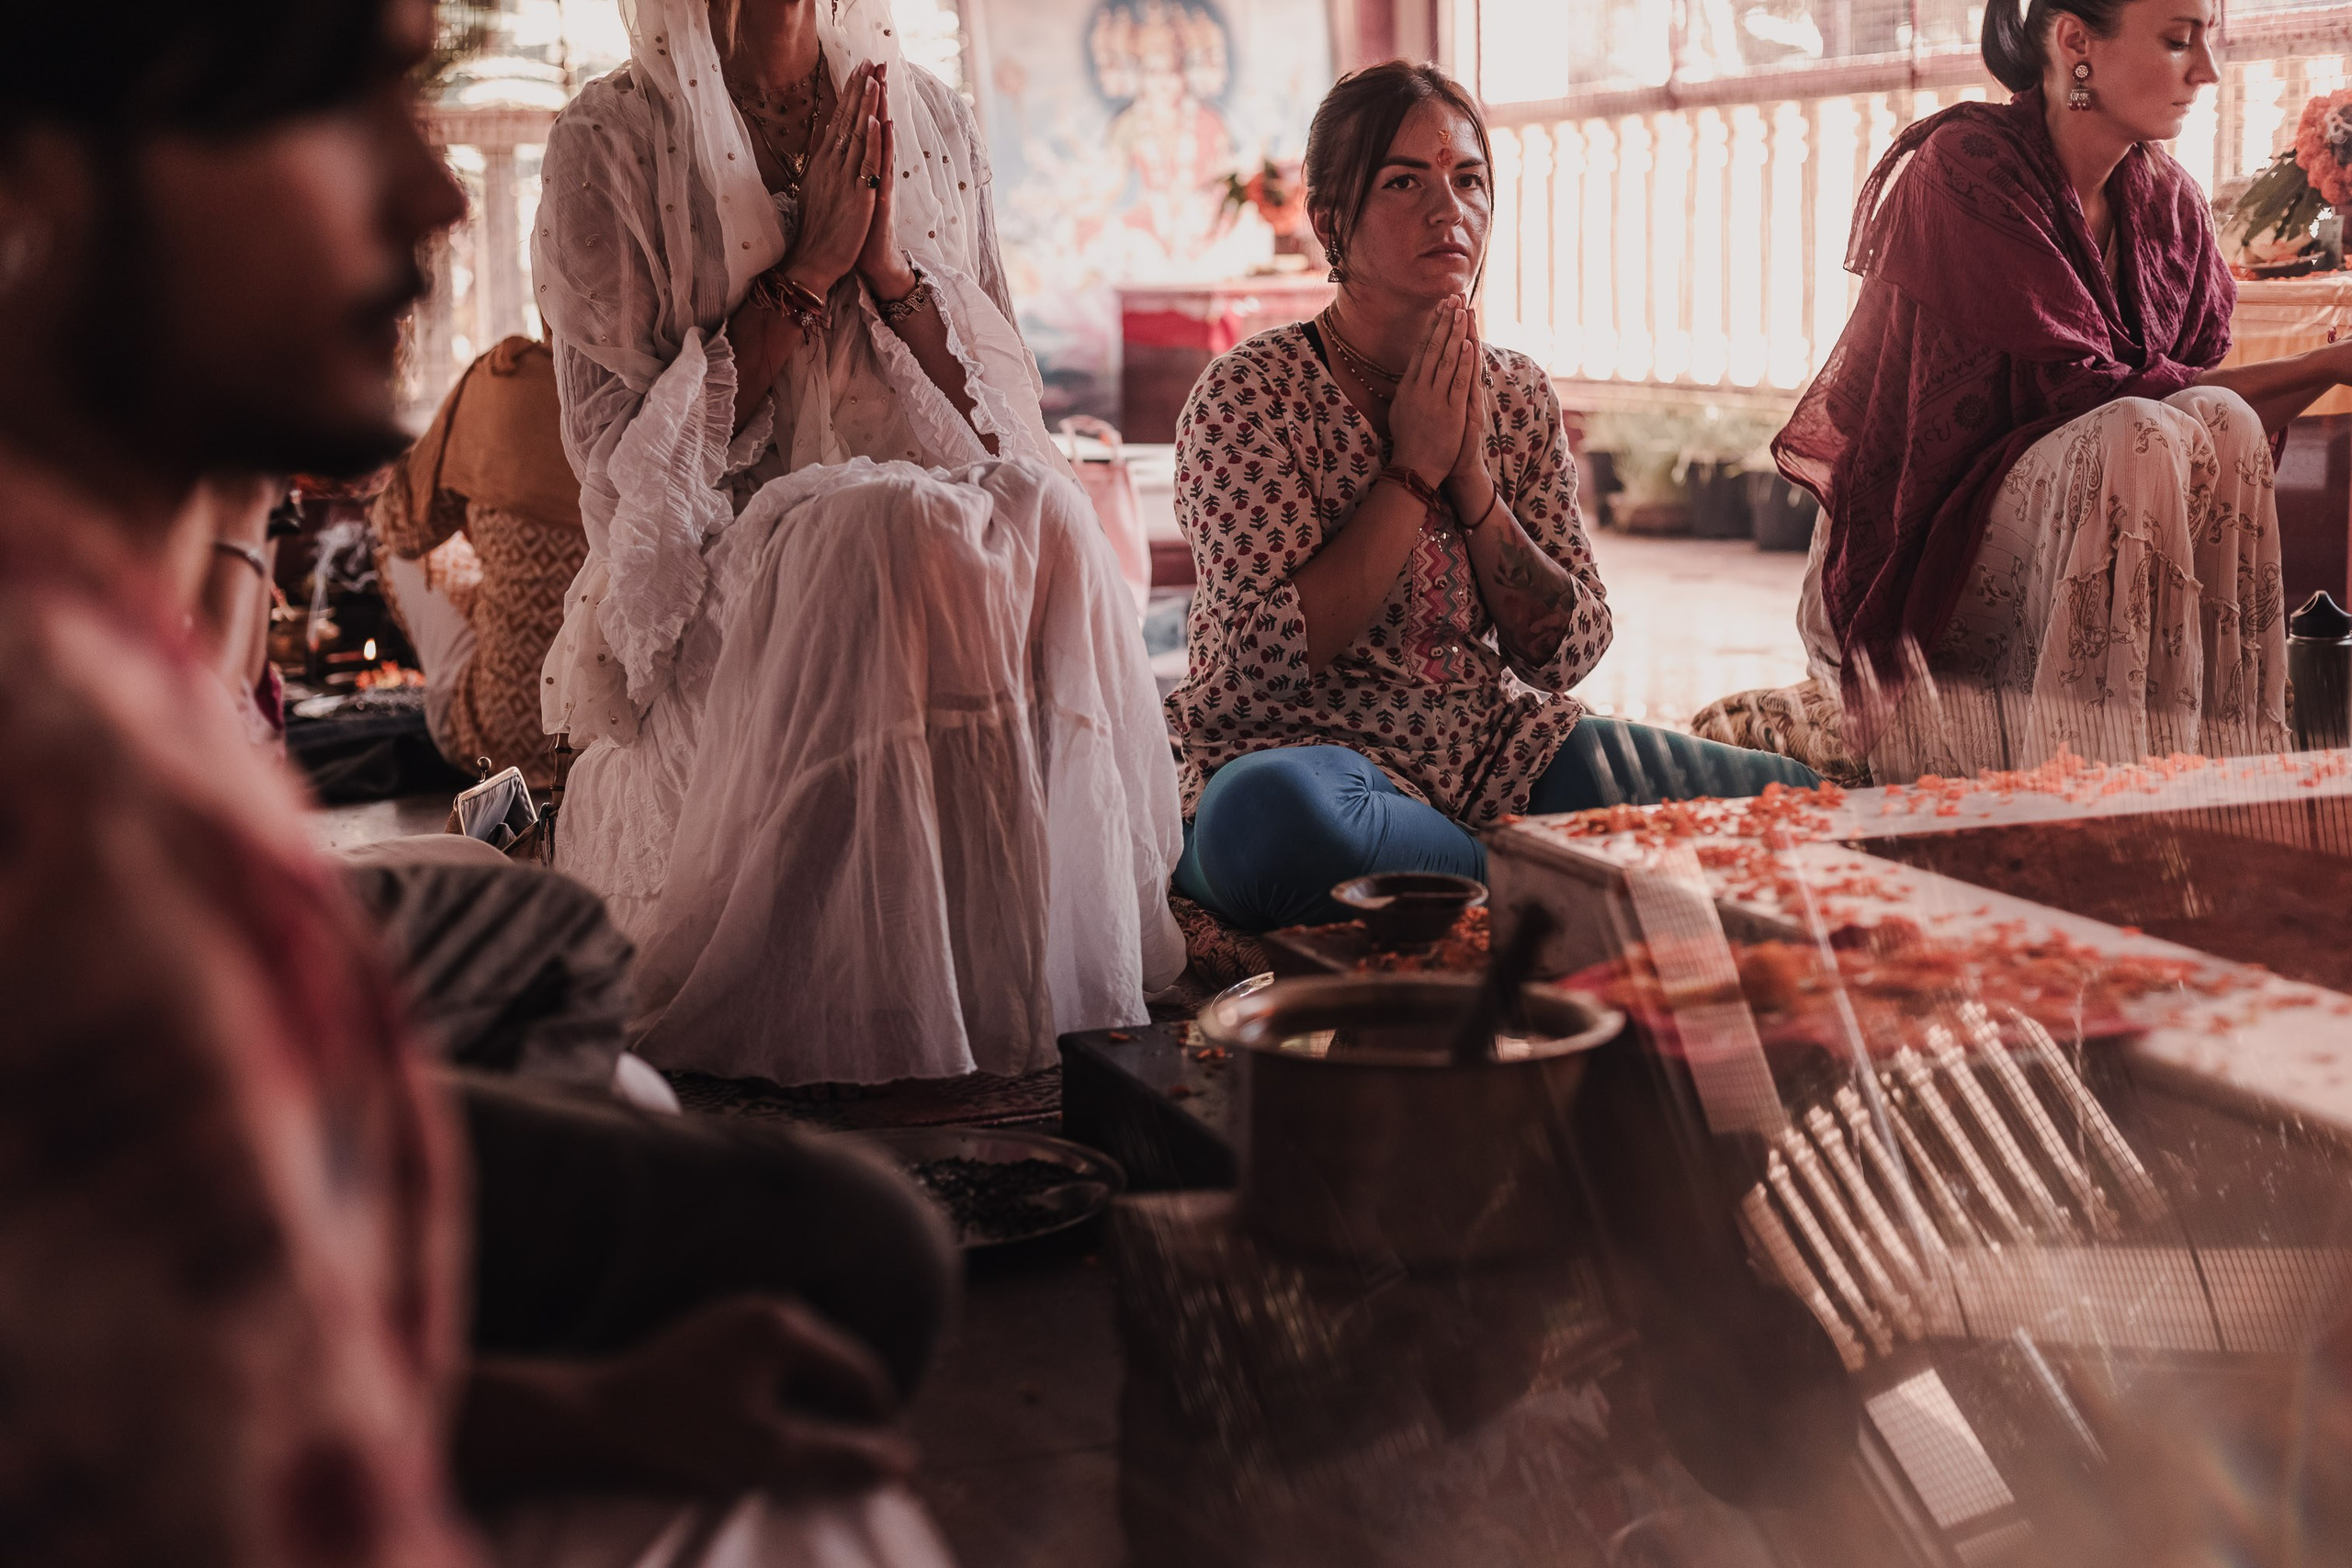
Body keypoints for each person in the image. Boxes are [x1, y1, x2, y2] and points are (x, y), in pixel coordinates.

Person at [0, 4, 960, 1564]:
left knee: (837, 1225)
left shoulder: (104, 617)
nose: (439, 197)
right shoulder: (77, 807)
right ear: (38, 181)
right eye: (334, 105)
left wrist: (595, 1415)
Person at [536, 0, 1182, 1087]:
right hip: (721, 586)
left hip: (932, 550)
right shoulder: (610, 140)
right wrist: (808, 270)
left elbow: (1002, 430)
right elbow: (623, 483)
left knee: (1044, 513)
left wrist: (888, 273)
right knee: (882, 531)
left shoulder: (929, 118)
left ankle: (1023, 984)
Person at [1164, 62, 1819, 932]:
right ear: (1330, 223)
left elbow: (1568, 649)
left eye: (1468, 180)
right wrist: (1411, 469)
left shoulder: (1513, 393)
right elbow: (1265, 661)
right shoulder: (1251, 395)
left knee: (1798, 808)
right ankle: (1568, 885)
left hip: (1490, 755)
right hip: (1304, 759)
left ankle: (1494, 885)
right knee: (1268, 825)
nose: (1450, 210)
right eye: (1404, 182)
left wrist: (1471, 480)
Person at [1704, 0, 2352, 784]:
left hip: (2094, 507)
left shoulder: (2172, 207)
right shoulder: (1968, 166)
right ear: (2076, 42)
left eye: (2207, 43)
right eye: (2179, 42)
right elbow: (2095, 396)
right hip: (1920, 558)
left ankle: (2213, 793)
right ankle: (2077, 810)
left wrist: (2328, 368)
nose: (2206, 72)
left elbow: (2203, 410)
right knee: (2136, 434)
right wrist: (2328, 365)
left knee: (2219, 422)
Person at [373, 335, 588, 789]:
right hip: (613, 726)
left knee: (402, 553)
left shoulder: (504, 377)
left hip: (501, 736)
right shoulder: (668, 383)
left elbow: (398, 527)